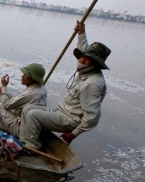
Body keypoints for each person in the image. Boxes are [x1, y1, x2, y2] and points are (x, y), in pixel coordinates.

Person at [19, 21, 110, 150]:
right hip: (60, 111)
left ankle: (31, 147)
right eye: (81, 57)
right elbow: (84, 48)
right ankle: (23, 139)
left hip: (70, 120)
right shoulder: (85, 70)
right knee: (27, 109)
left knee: (32, 115)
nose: (81, 61)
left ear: (95, 63)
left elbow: (92, 117)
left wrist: (74, 134)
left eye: (87, 59)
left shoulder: (93, 84)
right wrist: (81, 33)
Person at [0, 63, 47, 137]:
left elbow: (7, 104)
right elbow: (20, 100)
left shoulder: (29, 94)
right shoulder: (42, 89)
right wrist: (4, 92)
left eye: (26, 75)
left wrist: (4, 87)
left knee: (0, 106)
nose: (22, 76)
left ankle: (9, 132)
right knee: (13, 108)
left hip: (23, 131)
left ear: (33, 78)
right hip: (33, 127)